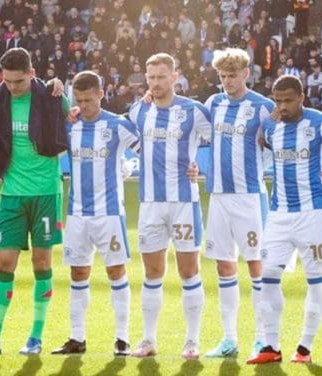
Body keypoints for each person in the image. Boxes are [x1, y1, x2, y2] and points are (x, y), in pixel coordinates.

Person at [0, 47, 69, 357]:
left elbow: (77, 117)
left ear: (32, 74)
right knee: (4, 263)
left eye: (20, 81)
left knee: (41, 262)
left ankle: (35, 336)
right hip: (12, 194)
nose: (13, 87)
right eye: (8, 81)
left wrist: (61, 85)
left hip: (46, 193)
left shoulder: (53, 98)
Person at [50, 70, 139, 356]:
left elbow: (149, 152)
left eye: (89, 99)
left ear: (101, 94)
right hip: (76, 213)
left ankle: (122, 338)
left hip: (109, 213)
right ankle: (77, 338)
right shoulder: (69, 126)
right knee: (78, 273)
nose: (84, 105)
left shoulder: (118, 125)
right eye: (79, 100)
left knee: (115, 271)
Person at [128, 53, 211, 359]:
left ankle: (192, 340)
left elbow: (221, 143)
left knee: (189, 271)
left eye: (162, 76)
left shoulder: (193, 111)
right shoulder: (139, 111)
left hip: (183, 203)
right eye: (151, 77)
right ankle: (148, 340)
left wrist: (199, 169)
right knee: (152, 272)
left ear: (175, 77)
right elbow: (131, 142)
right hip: (149, 203)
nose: (155, 83)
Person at [248, 75, 322, 364]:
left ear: (302, 97)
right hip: (279, 215)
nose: (282, 106)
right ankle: (271, 346)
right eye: (277, 100)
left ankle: (305, 348)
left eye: (287, 100)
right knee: (267, 277)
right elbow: (263, 140)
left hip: (314, 214)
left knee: (316, 280)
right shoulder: (270, 126)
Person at [202, 48, 274, 359]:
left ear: (246, 74)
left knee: (257, 267)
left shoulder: (263, 107)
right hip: (218, 197)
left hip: (249, 198)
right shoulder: (213, 104)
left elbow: (276, 144)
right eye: (222, 76)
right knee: (224, 266)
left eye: (232, 75)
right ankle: (229, 339)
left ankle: (261, 339)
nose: (227, 81)